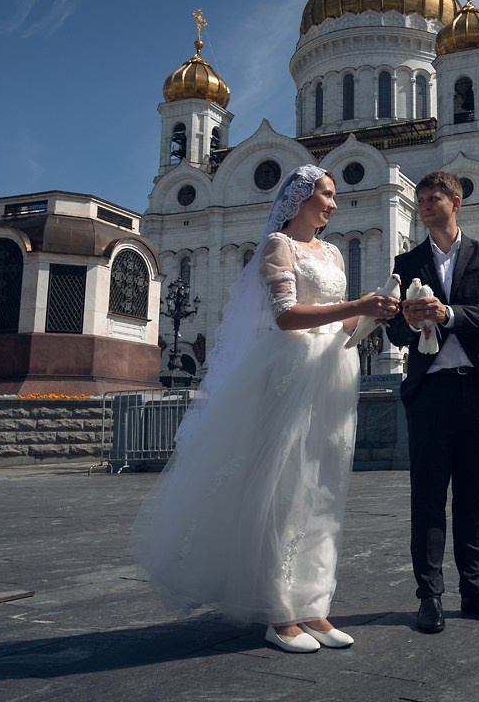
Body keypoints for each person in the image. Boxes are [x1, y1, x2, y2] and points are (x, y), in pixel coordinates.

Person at [130, 165, 399, 653]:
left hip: (333, 372)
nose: (334, 204)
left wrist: (371, 316)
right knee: (285, 489)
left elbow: (339, 326)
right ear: (300, 197)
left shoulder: (334, 252)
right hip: (292, 370)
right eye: (326, 194)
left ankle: (313, 603)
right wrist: (356, 304)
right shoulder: (278, 246)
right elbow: (285, 316)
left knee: (323, 487)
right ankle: (278, 613)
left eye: (334, 196)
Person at [385, 170, 479, 634]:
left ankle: (475, 591)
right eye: (419, 198)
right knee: (427, 497)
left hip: (477, 389)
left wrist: (449, 313)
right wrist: (405, 316)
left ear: (455, 202)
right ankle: (430, 598)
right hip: (430, 393)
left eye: (432, 196)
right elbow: (395, 332)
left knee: (475, 496)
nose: (423, 204)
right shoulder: (408, 261)